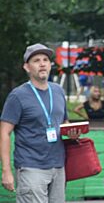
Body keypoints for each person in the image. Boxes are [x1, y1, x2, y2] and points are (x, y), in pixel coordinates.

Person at [0, 43, 79, 203]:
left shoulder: (58, 91)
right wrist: (6, 170)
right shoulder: (18, 96)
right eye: (36, 60)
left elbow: (64, 122)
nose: (42, 63)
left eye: (45, 60)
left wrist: (72, 133)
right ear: (27, 67)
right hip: (31, 167)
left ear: (50, 65)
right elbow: (4, 132)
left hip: (58, 166)